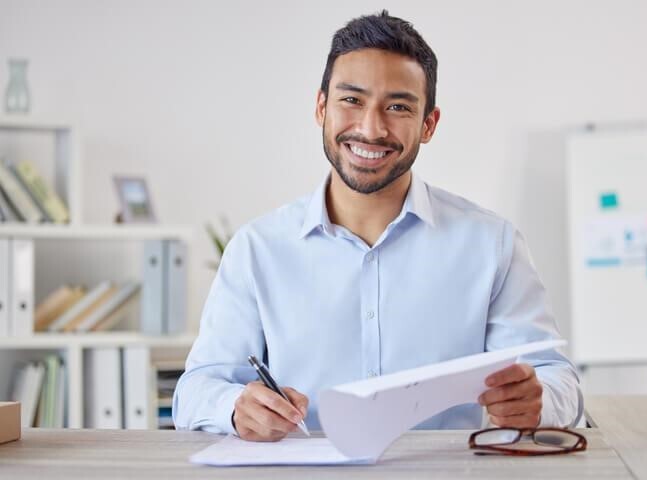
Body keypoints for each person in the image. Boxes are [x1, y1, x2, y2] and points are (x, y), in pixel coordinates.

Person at [173, 10, 582, 442]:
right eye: (352, 100)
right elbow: (196, 390)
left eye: (398, 106)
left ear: (429, 124)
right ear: (321, 107)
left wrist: (538, 400)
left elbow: (558, 381)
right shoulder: (257, 250)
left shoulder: (491, 244)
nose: (371, 128)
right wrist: (236, 409)